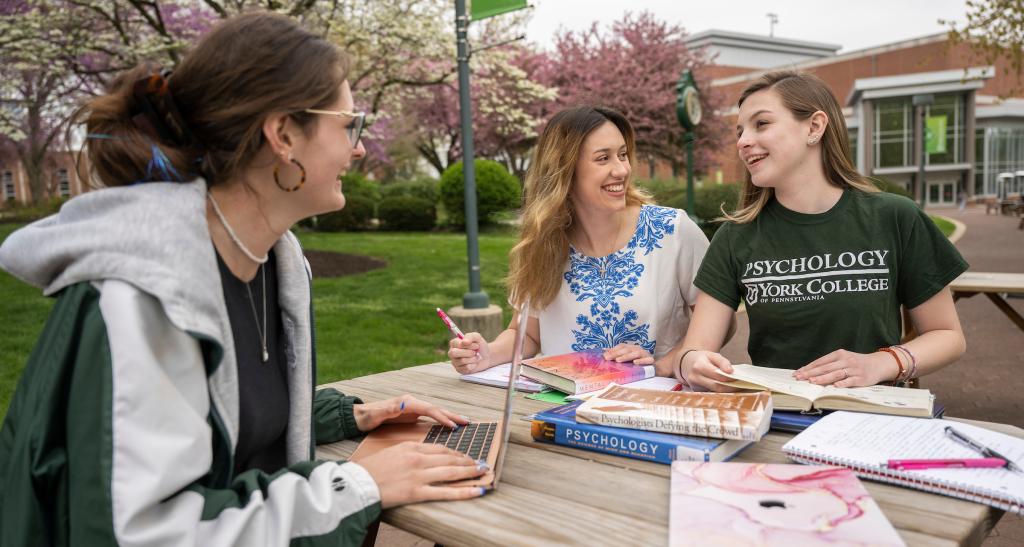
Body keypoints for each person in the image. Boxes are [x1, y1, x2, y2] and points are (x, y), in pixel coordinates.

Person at [0, 12, 485, 546]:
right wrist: (357, 486)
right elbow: (140, 534)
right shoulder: (143, 297)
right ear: (283, 135)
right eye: (349, 124)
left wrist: (353, 414)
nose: (361, 147)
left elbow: (223, 416)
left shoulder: (270, 262)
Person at [663, 71, 968, 391]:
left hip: (871, 418)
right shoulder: (735, 237)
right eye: (740, 131)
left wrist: (880, 363)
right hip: (778, 418)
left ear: (814, 127)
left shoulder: (895, 217)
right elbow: (696, 349)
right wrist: (691, 362)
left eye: (761, 124)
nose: (742, 142)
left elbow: (948, 336)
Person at [448, 106, 725, 376]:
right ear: (566, 170)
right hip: (564, 409)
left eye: (623, 155)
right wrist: (487, 353)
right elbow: (527, 335)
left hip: (654, 405)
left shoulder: (672, 231)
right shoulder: (543, 243)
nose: (621, 170)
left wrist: (659, 365)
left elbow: (720, 325)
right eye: (603, 158)